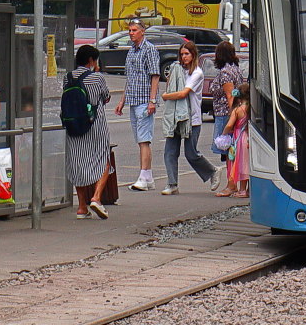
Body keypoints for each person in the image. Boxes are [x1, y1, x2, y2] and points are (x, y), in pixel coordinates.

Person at [160, 39, 215, 195]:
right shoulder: (178, 70)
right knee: (170, 151)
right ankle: (172, 184)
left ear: (193, 55)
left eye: (186, 54)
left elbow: (184, 93)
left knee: (191, 153)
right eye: (181, 54)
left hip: (191, 118)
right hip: (174, 116)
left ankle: (212, 171)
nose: (183, 57)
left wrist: (166, 96)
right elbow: (171, 84)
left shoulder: (196, 73)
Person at [65, 44, 114, 218]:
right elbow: (106, 97)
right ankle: (96, 198)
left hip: (74, 125)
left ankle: (81, 207)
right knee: (103, 159)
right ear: (92, 60)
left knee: (78, 162)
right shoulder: (97, 77)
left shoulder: (68, 77)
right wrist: (97, 72)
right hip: (95, 124)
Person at [112, 19, 161, 192]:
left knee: (144, 140)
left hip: (144, 100)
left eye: (134, 30)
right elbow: (130, 78)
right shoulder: (131, 51)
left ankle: (144, 175)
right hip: (133, 99)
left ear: (142, 31)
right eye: (129, 30)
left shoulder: (149, 50)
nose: (131, 33)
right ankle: (147, 177)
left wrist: (152, 100)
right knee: (140, 139)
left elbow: (155, 75)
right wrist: (122, 101)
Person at [209, 39, 244, 192]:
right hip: (230, 112)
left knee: (229, 150)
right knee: (232, 151)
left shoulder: (225, 73)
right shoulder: (236, 70)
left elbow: (230, 96)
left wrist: (233, 117)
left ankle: (231, 184)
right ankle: (233, 183)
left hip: (225, 114)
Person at [221, 91, 249, 198]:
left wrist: (223, 134)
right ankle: (248, 189)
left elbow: (229, 125)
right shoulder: (251, 109)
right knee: (247, 163)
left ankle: (242, 190)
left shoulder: (237, 110)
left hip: (239, 137)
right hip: (248, 137)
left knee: (240, 163)